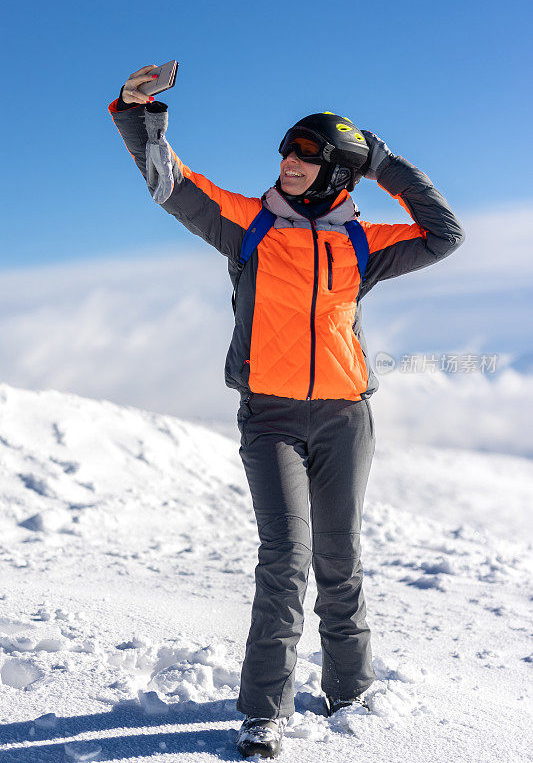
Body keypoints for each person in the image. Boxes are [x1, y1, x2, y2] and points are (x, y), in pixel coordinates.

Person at [109, 65, 465, 759]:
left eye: (306, 156)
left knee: (341, 558)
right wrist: (137, 112)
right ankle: (263, 713)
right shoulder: (246, 225)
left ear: (337, 171)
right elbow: (170, 184)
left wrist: (384, 162)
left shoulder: (362, 244)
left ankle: (351, 690)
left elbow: (444, 232)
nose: (289, 165)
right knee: (285, 560)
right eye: (286, 153)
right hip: (270, 417)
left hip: (344, 419)